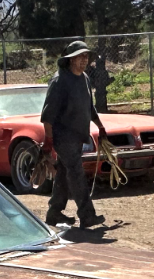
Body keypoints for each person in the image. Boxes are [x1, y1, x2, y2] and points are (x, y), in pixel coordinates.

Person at [40, 39, 106, 230]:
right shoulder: (60, 80)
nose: (84, 60)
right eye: (80, 57)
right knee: (76, 174)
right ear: (70, 60)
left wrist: (101, 127)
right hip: (63, 137)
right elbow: (47, 116)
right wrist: (49, 140)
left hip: (78, 137)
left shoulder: (84, 78)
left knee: (63, 174)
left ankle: (54, 212)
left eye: (86, 56)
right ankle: (87, 216)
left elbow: (89, 107)